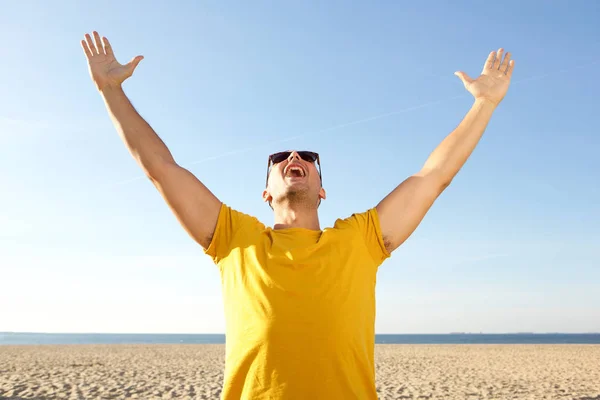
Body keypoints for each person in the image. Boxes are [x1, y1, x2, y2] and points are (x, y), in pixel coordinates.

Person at [81, 31, 515, 399]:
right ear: (266, 193)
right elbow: (161, 169)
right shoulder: (234, 238)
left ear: (322, 190)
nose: (294, 156)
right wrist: (111, 91)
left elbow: (433, 177)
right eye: (280, 158)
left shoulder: (360, 239)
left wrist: (484, 105)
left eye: (308, 157)